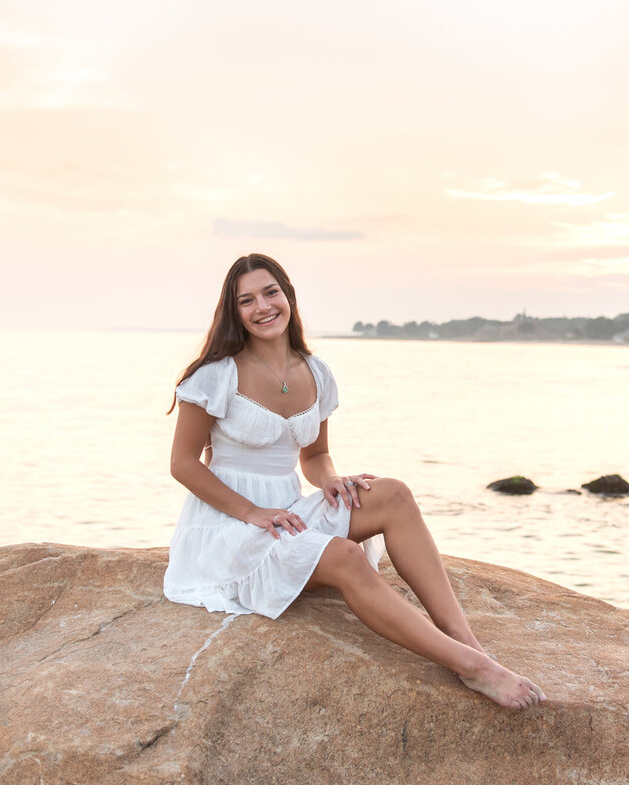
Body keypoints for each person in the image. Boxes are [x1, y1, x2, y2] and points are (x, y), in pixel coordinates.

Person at [165, 254, 546, 709]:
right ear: (234, 311)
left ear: (288, 295)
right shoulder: (215, 376)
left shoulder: (315, 371)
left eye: (270, 293)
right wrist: (251, 511)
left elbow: (315, 455)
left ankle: (466, 642)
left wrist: (330, 480)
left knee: (393, 493)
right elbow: (183, 464)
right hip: (228, 531)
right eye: (246, 300)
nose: (262, 307)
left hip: (286, 515)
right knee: (345, 557)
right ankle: (474, 669)